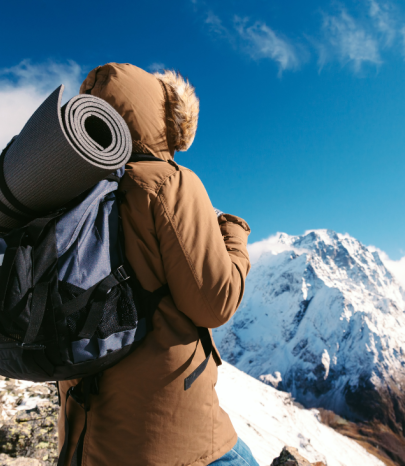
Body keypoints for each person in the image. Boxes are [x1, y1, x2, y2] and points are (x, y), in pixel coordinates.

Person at [57, 63, 258, 466]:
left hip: (84, 434)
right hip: (170, 437)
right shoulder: (168, 182)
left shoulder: (66, 188)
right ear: (166, 119)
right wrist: (234, 235)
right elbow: (214, 303)